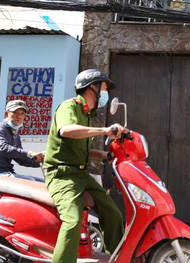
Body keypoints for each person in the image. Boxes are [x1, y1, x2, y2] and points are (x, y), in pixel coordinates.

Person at [43, 69, 125, 263]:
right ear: (92, 88)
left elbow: (81, 151)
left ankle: (118, 258)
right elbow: (67, 130)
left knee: (112, 213)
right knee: (72, 221)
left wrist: (106, 155)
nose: (106, 94)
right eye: (104, 88)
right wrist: (104, 130)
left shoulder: (88, 115)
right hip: (61, 175)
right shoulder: (69, 107)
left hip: (81, 175)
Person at [0, 99, 44, 181]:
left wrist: (44, 161)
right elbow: (2, 148)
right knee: (32, 182)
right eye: (15, 113)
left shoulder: (15, 135)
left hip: (7, 173)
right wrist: (29, 153)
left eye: (22, 113)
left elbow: (22, 160)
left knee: (43, 183)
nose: (19, 116)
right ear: (6, 114)